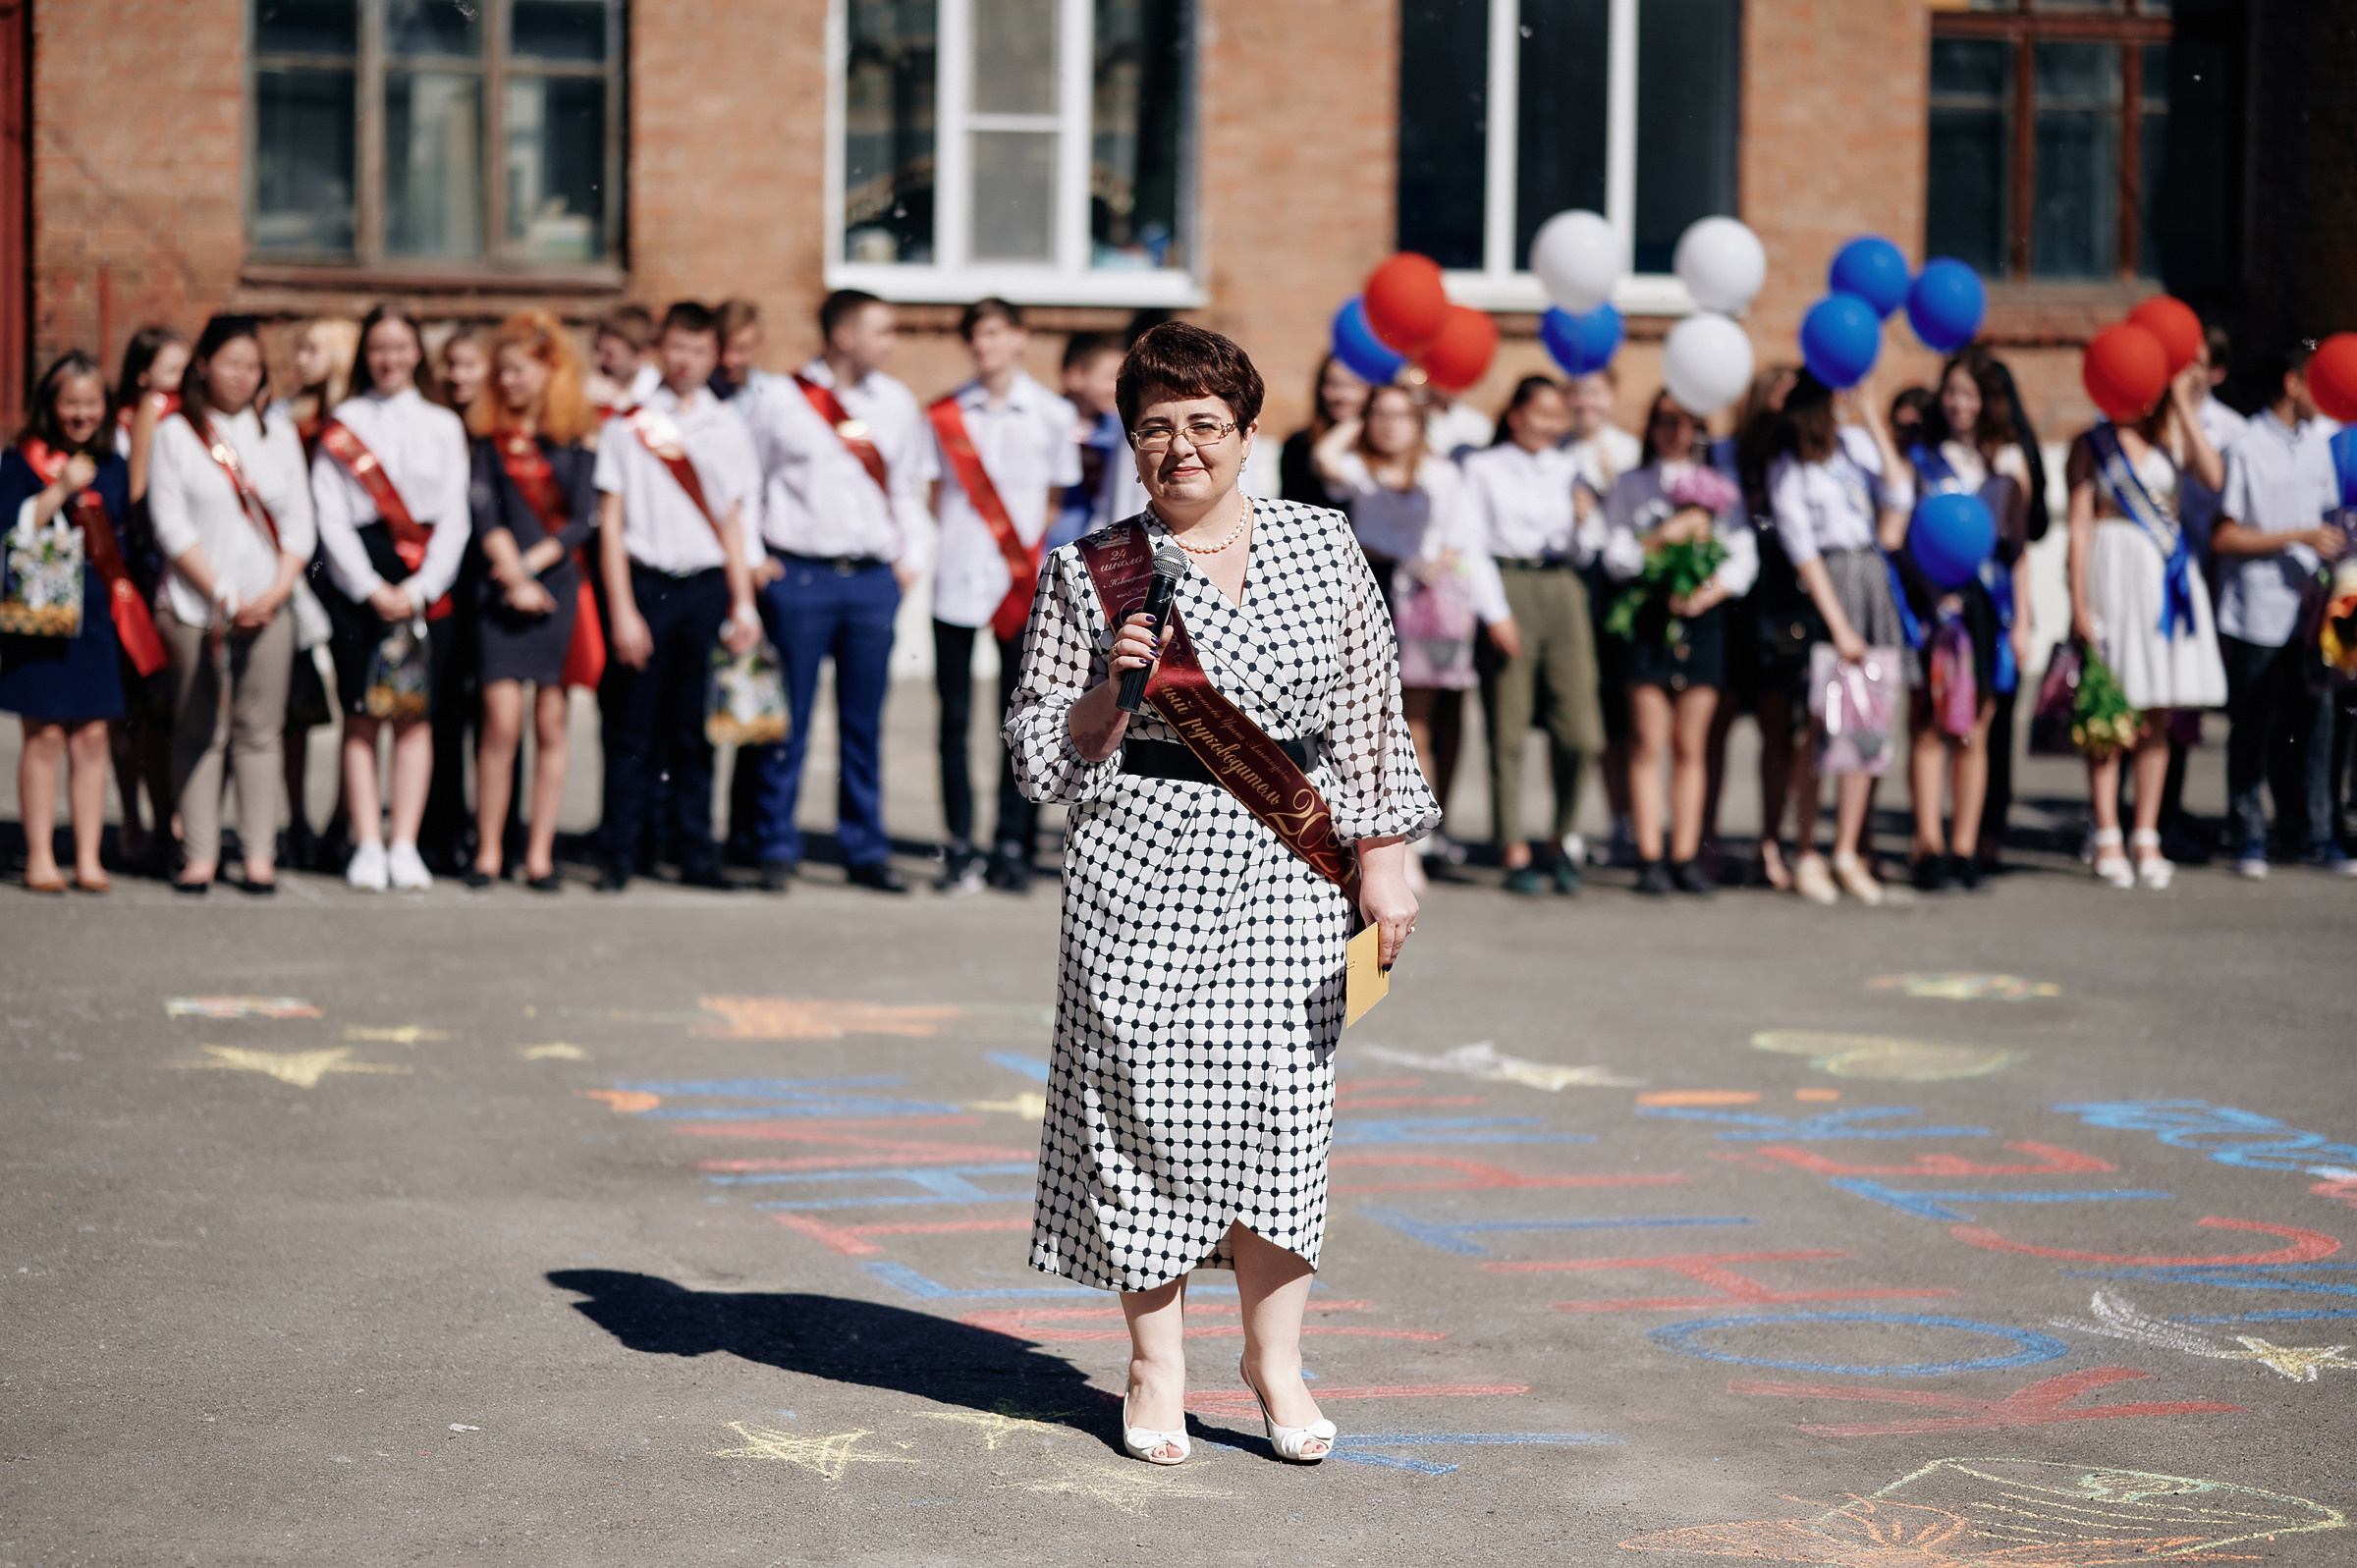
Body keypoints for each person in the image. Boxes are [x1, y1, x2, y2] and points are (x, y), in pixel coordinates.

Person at [1006, 321, 1432, 1468]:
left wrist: (1386, 853)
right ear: (1130, 444)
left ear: (1247, 434)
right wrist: (1104, 695)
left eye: (1204, 424)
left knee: (1281, 1114)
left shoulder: (1323, 543)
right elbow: (1040, 756)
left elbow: (1369, 709)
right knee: (1140, 1112)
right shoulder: (1090, 569)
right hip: (1136, 864)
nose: (1181, 447)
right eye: (1156, 429)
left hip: (1289, 861)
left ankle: (1274, 1358)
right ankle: (1154, 1363)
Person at [737, 289, 933, 893]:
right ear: (843, 335)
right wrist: (753, 560)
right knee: (785, 720)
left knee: (862, 722)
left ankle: (864, 848)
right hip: (798, 577)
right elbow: (748, 484)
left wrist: (910, 559)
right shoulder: (780, 399)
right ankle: (774, 844)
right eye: (881, 330)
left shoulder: (897, 403)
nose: (891, 342)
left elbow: (906, 490)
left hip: (873, 581)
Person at [593, 300, 764, 892]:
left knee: (696, 729)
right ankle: (620, 848)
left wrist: (743, 603)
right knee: (632, 727)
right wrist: (621, 610)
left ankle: (695, 850)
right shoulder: (627, 425)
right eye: (677, 348)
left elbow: (734, 522)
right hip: (645, 586)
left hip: (706, 588)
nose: (686, 361)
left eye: (699, 350)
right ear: (659, 350)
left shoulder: (727, 427)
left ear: (715, 356)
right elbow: (610, 526)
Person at [145, 314, 317, 893]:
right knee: (199, 729)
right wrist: (221, 592)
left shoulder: (279, 432)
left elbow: (300, 523)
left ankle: (258, 853)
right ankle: (199, 853)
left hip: (270, 607)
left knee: (259, 731)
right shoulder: (175, 434)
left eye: (252, 365)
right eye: (231, 363)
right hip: (195, 610)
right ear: (203, 366)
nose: (242, 376)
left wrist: (274, 591)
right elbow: (169, 524)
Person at [309, 302, 472, 892]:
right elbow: (329, 515)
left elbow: (456, 515)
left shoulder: (444, 424)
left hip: (426, 577)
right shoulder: (342, 422)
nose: (389, 359)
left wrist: (423, 587)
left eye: (401, 346)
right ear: (364, 355)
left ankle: (404, 842)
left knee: (414, 717)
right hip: (363, 575)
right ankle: (367, 842)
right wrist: (368, 586)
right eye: (379, 347)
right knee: (361, 715)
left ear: (417, 354)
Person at [1312, 382, 1506, 873]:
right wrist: (1363, 415)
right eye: (1380, 413)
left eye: (1401, 415)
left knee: (1444, 712)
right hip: (1376, 587)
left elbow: (1461, 536)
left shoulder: (1441, 472)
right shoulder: (1362, 471)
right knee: (1395, 715)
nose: (1389, 423)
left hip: (1431, 599)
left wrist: (1441, 563)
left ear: (1420, 421)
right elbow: (1325, 456)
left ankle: (1438, 823)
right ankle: (1402, 835)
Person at [927, 298, 1082, 896]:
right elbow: (936, 493)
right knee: (954, 719)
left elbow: (1054, 501)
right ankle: (960, 842)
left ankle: (1012, 841)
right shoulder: (944, 413)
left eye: (995, 333)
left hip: (1025, 586)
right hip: (957, 580)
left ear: (1019, 336)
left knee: (1021, 720)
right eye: (975, 335)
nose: (984, 345)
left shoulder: (1050, 414)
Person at [2065, 355, 2227, 890]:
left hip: (2162, 581)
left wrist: (2180, 400)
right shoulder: (2091, 445)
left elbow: (2213, 475)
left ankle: (2146, 832)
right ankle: (2107, 831)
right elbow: (2081, 529)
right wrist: (2079, 606)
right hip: (2112, 576)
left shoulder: (2169, 438)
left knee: (2157, 712)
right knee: (2109, 713)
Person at [466, 310, 601, 892]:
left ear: (550, 370)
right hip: (500, 587)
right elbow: (484, 510)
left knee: (551, 721)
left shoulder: (575, 436)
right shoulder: (486, 439)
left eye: (519, 372)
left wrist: (534, 568)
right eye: (502, 373)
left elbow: (583, 520)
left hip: (556, 585)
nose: (509, 383)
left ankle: (539, 853)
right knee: (500, 722)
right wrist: (511, 573)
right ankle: (489, 849)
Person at [1768, 371, 1915, 905]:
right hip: (1829, 590)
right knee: (1821, 727)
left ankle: (1848, 849)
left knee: (1867, 726)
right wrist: (1840, 626)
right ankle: (1807, 849)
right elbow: (1801, 548)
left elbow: (1899, 493)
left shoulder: (1855, 445)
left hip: (1872, 575)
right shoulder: (1791, 466)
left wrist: (1873, 418)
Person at [1603, 391, 1758, 895]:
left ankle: (1686, 853)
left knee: (1691, 744)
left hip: (1702, 620)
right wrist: (1666, 536)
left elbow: (1742, 558)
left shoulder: (1720, 483)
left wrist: (1705, 594)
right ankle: (1650, 856)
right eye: (1664, 420)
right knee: (1649, 741)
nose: (1673, 431)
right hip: (1648, 617)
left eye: (1684, 422)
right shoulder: (1632, 484)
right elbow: (1616, 555)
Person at [1898, 351, 2038, 892]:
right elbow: (1909, 539)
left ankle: (1965, 847)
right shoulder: (1923, 460)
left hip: (1987, 602)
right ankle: (1928, 843)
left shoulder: (2007, 462)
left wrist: (2023, 620)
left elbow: (2018, 547)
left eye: (1968, 394)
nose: (1958, 404)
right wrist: (1931, 594)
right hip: (1934, 602)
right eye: (1951, 392)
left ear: (1988, 402)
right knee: (1932, 721)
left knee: (1974, 728)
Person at [1, 352, 140, 892]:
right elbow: (10, 526)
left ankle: (87, 856)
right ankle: (39, 855)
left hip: (99, 618)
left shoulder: (113, 462)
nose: (81, 413)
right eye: (70, 403)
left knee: (94, 736)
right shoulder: (20, 461)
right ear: (50, 405)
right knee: (46, 737)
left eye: (91, 402)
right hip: (39, 617)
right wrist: (59, 490)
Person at [2211, 339, 2348, 878]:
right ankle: (2248, 832)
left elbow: (2332, 521)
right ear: (2292, 384)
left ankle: (2313, 831)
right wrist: (2299, 537)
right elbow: (2224, 536)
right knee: (2254, 725)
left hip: (2311, 614)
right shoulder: (2245, 446)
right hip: (2257, 611)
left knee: (2315, 723)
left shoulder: (2320, 444)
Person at [1460, 375, 1596, 894]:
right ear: (1515, 414)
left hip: (1562, 588)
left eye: (1558, 416)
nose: (1549, 426)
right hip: (1508, 582)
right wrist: (1495, 611)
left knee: (1581, 731)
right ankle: (1514, 844)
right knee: (1509, 727)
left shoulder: (1570, 469)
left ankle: (1562, 835)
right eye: (1540, 413)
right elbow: (1470, 542)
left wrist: (1584, 521)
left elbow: (1584, 551)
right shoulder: (1483, 467)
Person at [1703, 364, 1800, 889]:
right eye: (1776, 400)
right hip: (1732, 604)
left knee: (1778, 726)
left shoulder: (1800, 458)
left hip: (1784, 600)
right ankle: (1707, 839)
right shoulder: (1723, 453)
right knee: (1715, 724)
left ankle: (1770, 840)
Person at [2154, 321, 2243, 862]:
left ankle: (2170, 810)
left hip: (2199, 575)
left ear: (2215, 371)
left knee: (2183, 700)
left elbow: (2215, 485)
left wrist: (2183, 408)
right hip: (2145, 573)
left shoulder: (2231, 429)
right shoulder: (2144, 415)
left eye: (2196, 362)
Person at [273, 315, 360, 871]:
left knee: (356, 702)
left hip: (347, 569)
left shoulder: (356, 420)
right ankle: (296, 819)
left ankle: (343, 820)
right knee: (296, 706)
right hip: (301, 568)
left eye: (310, 349)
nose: (299, 361)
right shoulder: (287, 418)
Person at [108, 325, 189, 872]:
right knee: (135, 711)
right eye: (173, 370)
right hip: (141, 574)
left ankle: (167, 819)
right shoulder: (148, 414)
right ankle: (136, 818)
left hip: (173, 567)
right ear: (144, 375)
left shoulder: (186, 413)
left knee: (163, 713)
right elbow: (139, 500)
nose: (185, 380)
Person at [1564, 367, 1643, 865]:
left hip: (1618, 586)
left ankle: (1624, 820)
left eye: (1593, 391)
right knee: (1578, 710)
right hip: (1576, 579)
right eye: (1575, 390)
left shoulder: (1630, 452)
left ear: (1612, 395)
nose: (1583, 401)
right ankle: (1568, 825)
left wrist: (1616, 492)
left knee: (1620, 714)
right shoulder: (1558, 452)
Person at [1045, 331, 1124, 554]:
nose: (1116, 387)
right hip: (1049, 551)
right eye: (1110, 377)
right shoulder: (1045, 425)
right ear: (1075, 375)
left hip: (1100, 551)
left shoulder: (1120, 431)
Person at [1278, 355, 1371, 510]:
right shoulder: (1299, 444)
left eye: (1353, 386)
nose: (1342, 395)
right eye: (1333, 384)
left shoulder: (1381, 443)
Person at [586, 304, 659, 417]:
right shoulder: (590, 392)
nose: (597, 360)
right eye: (596, 349)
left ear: (641, 355)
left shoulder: (658, 400)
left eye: (609, 355)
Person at [710, 298, 764, 403]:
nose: (729, 360)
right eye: (721, 348)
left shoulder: (775, 395)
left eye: (741, 349)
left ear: (759, 345)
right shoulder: (694, 393)